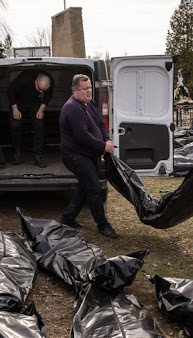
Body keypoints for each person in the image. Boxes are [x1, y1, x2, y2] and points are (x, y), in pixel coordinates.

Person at [58, 74, 119, 238]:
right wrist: (102, 146)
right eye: (85, 89)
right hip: (74, 156)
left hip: (87, 154)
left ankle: (67, 219)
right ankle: (103, 225)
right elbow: (82, 136)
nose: (89, 91)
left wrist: (106, 140)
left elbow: (100, 124)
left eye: (90, 88)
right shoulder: (73, 108)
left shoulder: (89, 103)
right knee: (92, 187)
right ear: (75, 90)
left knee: (85, 186)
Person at [7, 69, 54, 167]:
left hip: (34, 102)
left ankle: (38, 156)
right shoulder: (24, 79)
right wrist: (15, 109)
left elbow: (48, 96)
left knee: (39, 123)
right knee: (15, 125)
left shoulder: (50, 81)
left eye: (43, 90)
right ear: (36, 81)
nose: (41, 92)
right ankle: (17, 153)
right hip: (18, 101)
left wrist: (41, 110)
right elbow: (10, 91)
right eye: (40, 89)